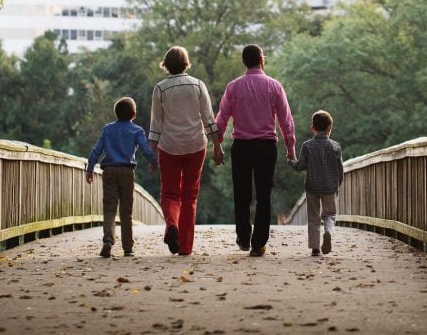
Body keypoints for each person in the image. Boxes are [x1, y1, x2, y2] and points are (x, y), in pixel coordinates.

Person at [214, 43, 296, 257]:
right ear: (262, 60)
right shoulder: (274, 86)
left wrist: (217, 145)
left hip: (241, 146)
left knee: (241, 194)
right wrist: (291, 148)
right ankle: (258, 243)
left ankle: (243, 237)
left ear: (244, 61)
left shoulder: (233, 87)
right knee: (263, 195)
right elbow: (286, 120)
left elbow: (221, 119)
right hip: (266, 147)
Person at [149, 46, 220, 256]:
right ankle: (186, 247)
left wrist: (152, 154)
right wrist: (217, 146)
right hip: (195, 145)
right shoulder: (198, 85)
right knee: (190, 196)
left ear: (166, 65)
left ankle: (172, 224)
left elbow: (156, 124)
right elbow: (209, 119)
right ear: (186, 63)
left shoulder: (160, 89)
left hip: (169, 146)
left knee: (169, 193)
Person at [86, 96, 159, 258]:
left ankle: (108, 240)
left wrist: (90, 168)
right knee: (126, 211)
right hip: (127, 171)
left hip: (110, 171)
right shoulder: (137, 130)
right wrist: (154, 162)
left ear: (116, 113)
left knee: (109, 208)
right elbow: (147, 150)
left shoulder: (108, 129)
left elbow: (96, 150)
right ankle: (128, 248)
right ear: (134, 114)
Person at [290, 110, 344, 256]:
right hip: (330, 187)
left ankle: (315, 248)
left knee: (313, 218)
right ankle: (328, 231)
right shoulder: (335, 146)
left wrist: (291, 161)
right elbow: (340, 169)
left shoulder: (307, 146)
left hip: (312, 186)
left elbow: (300, 166)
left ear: (312, 128)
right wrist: (337, 185)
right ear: (329, 128)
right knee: (330, 214)